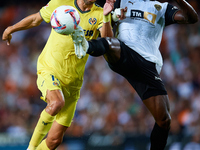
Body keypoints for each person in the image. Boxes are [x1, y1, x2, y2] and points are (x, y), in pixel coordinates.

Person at [72, 0, 198, 149]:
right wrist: (106, 17)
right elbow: (107, 37)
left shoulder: (162, 8)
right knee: (112, 44)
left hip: (147, 64)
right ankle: (86, 45)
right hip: (124, 53)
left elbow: (192, 18)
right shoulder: (119, 2)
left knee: (164, 120)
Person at [2, 0, 114, 150]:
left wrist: (107, 17)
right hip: (49, 70)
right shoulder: (61, 2)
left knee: (54, 140)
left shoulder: (100, 14)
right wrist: (12, 28)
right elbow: (36, 19)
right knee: (56, 103)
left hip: (73, 83)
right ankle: (31, 147)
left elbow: (107, 42)